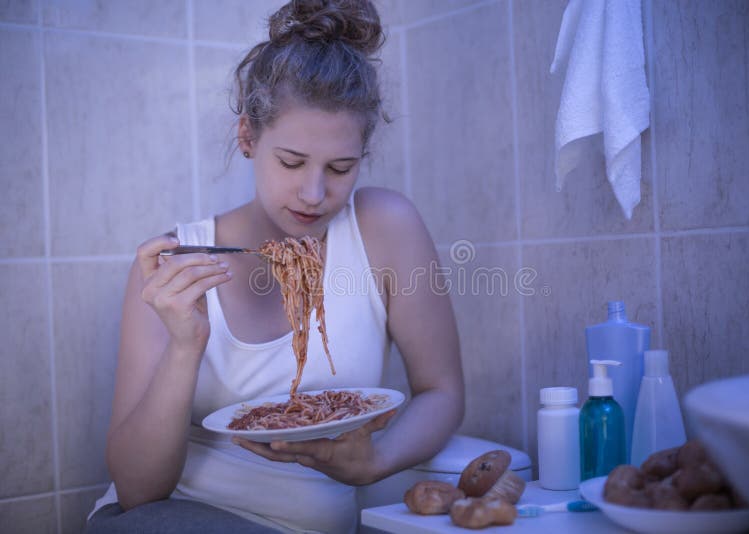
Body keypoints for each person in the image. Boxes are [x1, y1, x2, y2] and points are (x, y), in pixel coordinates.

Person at [84, 0, 464, 532]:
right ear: (247, 137)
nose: (314, 194)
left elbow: (441, 392)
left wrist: (373, 463)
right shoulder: (177, 260)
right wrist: (185, 345)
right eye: (290, 162)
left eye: (340, 167)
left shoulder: (386, 228)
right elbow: (139, 491)